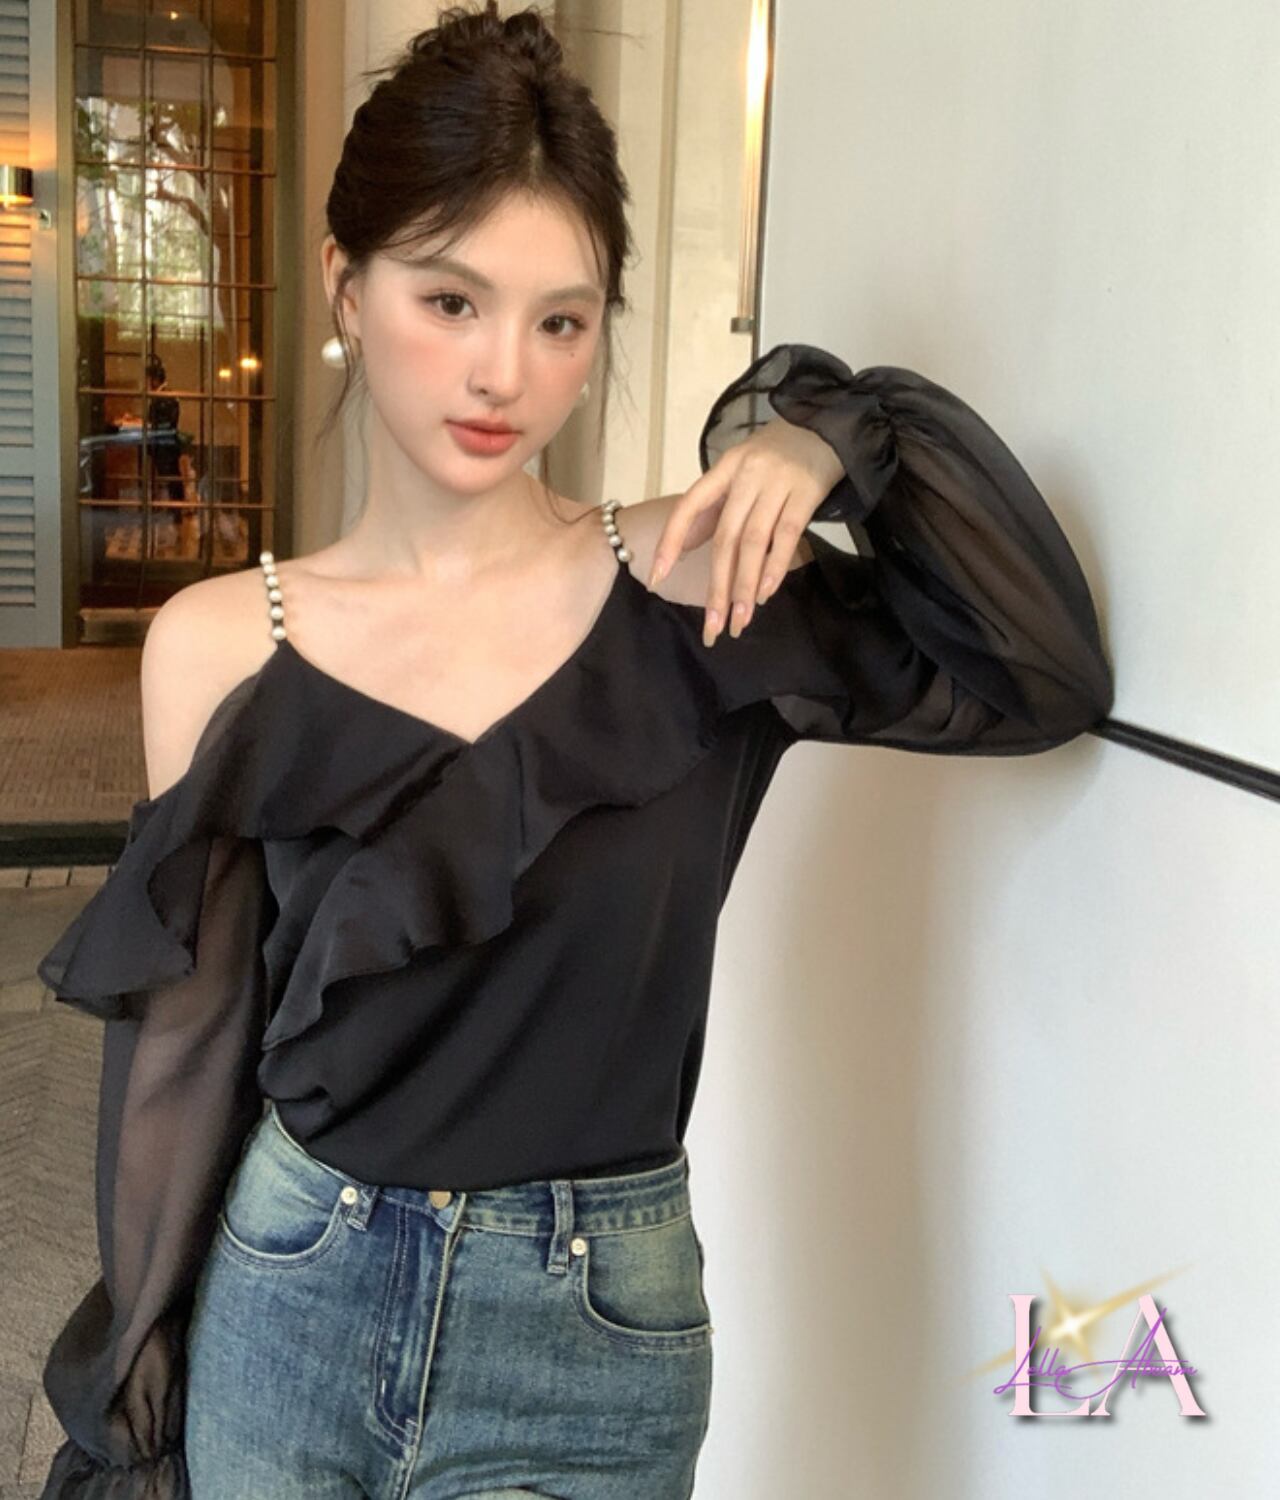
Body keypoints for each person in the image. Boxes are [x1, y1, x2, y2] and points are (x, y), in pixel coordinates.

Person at [33, 5, 1115, 1498]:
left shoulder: (701, 581)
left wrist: (836, 438)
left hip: (591, 1333)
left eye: (562, 319)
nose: (505, 373)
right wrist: (139, 1408)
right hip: (290, 1298)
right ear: (347, 283)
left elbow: (1041, 673)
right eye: (451, 299)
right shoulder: (220, 642)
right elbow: (187, 1054)